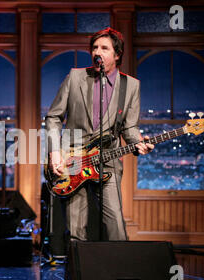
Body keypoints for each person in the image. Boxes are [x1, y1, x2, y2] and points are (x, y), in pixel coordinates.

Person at [45, 28, 154, 242]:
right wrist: (55, 152)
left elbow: (129, 127)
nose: (98, 52)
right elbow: (53, 117)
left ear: (117, 54)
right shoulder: (75, 77)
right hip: (72, 160)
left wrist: (138, 142)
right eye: (94, 47)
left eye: (104, 48)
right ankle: (80, 274)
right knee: (77, 229)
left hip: (108, 160)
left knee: (115, 223)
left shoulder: (130, 86)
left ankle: (121, 272)